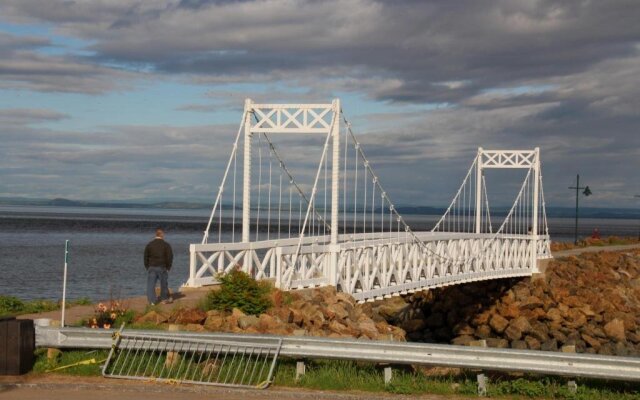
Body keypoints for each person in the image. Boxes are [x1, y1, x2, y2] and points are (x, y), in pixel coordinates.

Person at [144, 227, 173, 305]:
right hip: (162, 267)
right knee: (163, 283)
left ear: (155, 235)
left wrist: (147, 266)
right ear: (162, 235)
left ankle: (152, 301)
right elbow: (170, 257)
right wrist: (168, 267)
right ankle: (164, 298)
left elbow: (145, 256)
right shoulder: (166, 245)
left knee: (150, 284)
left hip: (152, 266)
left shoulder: (149, 244)